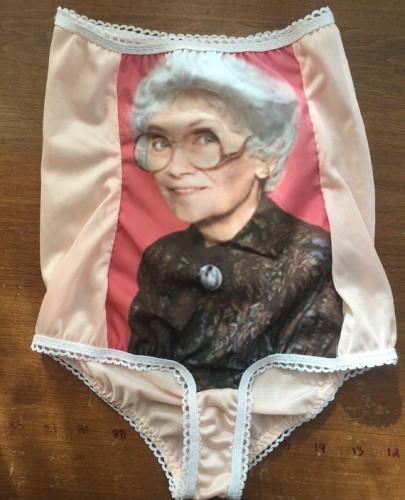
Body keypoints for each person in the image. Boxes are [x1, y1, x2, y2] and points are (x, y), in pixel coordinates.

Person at [127, 50, 343, 391]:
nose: (175, 168)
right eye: (160, 142)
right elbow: (142, 378)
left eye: (205, 139)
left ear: (267, 155)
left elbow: (300, 388)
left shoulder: (310, 258)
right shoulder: (162, 257)